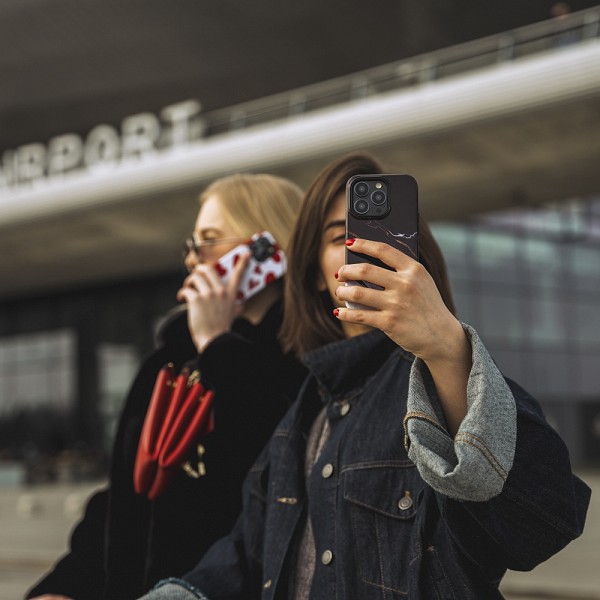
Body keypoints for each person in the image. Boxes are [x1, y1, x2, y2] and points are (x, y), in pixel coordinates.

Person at [137, 152, 591, 599]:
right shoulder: (304, 412)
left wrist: (448, 348)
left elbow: (543, 524)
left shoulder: (444, 374)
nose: (365, 248)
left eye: (383, 235)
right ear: (315, 274)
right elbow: (245, 555)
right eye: (341, 237)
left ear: (415, 256)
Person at [26, 173, 307, 600]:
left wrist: (217, 345)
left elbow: (268, 469)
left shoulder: (301, 362)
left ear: (267, 251)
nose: (193, 259)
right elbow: (123, 503)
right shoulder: (166, 363)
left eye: (209, 241)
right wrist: (65, 586)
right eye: (191, 245)